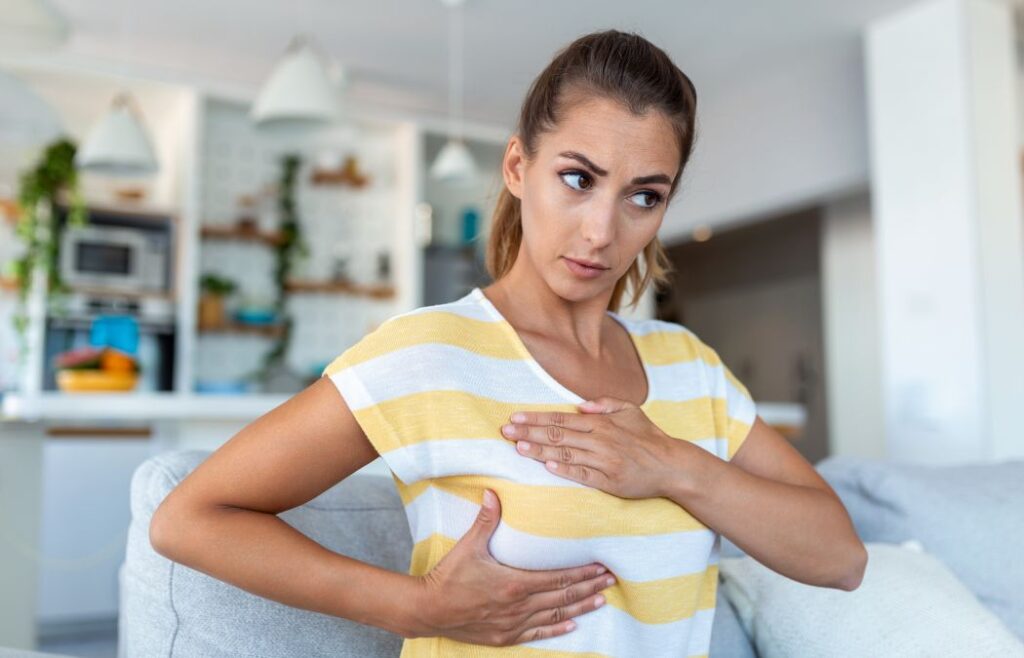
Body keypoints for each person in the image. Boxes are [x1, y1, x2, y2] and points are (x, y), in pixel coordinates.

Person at [150, 28, 867, 657]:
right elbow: (189, 518)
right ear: (519, 168)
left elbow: (840, 557)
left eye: (644, 196)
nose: (600, 230)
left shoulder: (690, 370)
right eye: (578, 179)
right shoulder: (429, 353)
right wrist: (416, 605)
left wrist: (675, 466)